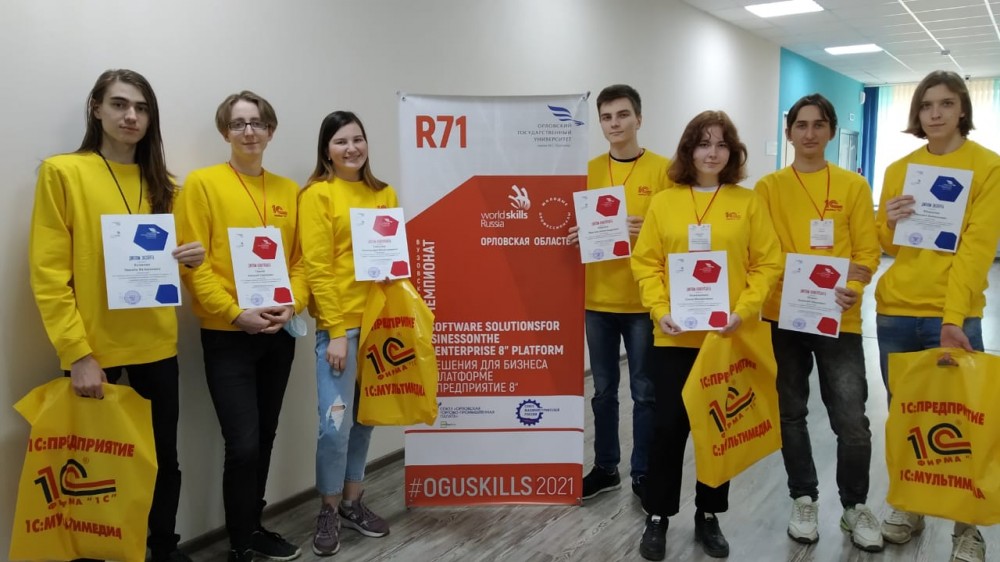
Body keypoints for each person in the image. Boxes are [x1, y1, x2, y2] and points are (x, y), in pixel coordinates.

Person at [29, 68, 205, 562]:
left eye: (142, 108)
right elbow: (48, 275)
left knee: (161, 462)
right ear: (96, 108)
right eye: (120, 104)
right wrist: (77, 353)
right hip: (93, 352)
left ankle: (163, 549)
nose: (131, 116)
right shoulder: (63, 172)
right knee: (89, 466)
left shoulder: (165, 185)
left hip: (156, 345)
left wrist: (191, 259)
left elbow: (171, 267)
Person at [630, 110, 782, 561]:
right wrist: (659, 310)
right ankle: (658, 515)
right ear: (688, 150)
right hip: (674, 337)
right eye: (703, 143)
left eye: (721, 144)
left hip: (725, 338)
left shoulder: (747, 202)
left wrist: (742, 312)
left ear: (732, 152)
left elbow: (767, 263)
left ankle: (709, 514)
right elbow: (647, 263)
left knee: (719, 429)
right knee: (667, 428)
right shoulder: (664, 202)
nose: (712, 152)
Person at [174, 91, 308, 562]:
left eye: (257, 123)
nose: (248, 131)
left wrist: (291, 304)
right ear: (225, 131)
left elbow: (301, 262)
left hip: (278, 334)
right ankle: (239, 543)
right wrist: (234, 313)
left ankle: (253, 529)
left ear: (271, 131)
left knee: (265, 435)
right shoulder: (202, 184)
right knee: (244, 444)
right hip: (227, 335)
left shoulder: (290, 191)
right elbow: (194, 264)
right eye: (238, 124)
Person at [874, 70, 1000, 562]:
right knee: (906, 418)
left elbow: (976, 250)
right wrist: (889, 221)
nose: (935, 114)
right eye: (926, 105)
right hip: (896, 312)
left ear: (962, 108)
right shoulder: (900, 169)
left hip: (954, 315)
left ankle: (967, 528)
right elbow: (887, 245)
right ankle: (910, 506)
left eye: (946, 104)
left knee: (963, 422)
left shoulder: (987, 167)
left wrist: (952, 319)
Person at [754, 93, 883, 552]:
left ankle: (854, 506)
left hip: (838, 317)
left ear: (830, 131)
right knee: (790, 414)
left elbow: (867, 252)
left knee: (851, 419)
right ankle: (803, 497)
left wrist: (856, 287)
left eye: (818, 125)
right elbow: (760, 251)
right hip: (782, 317)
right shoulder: (768, 188)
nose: (809, 133)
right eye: (801, 125)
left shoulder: (853, 186)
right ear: (789, 132)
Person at [566, 84, 670, 500]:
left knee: (645, 393)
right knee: (603, 392)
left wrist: (651, 231)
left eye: (623, 115)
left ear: (639, 119)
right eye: (607, 117)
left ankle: (642, 472)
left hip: (643, 301)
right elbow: (573, 224)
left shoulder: (663, 171)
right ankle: (606, 468)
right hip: (597, 300)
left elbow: (679, 232)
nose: (615, 124)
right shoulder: (587, 170)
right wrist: (575, 232)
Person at [299, 111, 394, 557]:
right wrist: (336, 331)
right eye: (341, 141)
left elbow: (391, 258)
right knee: (334, 426)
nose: (351, 148)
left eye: (358, 139)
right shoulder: (318, 194)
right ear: (327, 150)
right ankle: (329, 508)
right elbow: (317, 268)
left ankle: (354, 502)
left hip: (379, 326)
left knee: (365, 418)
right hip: (341, 331)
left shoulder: (383, 193)